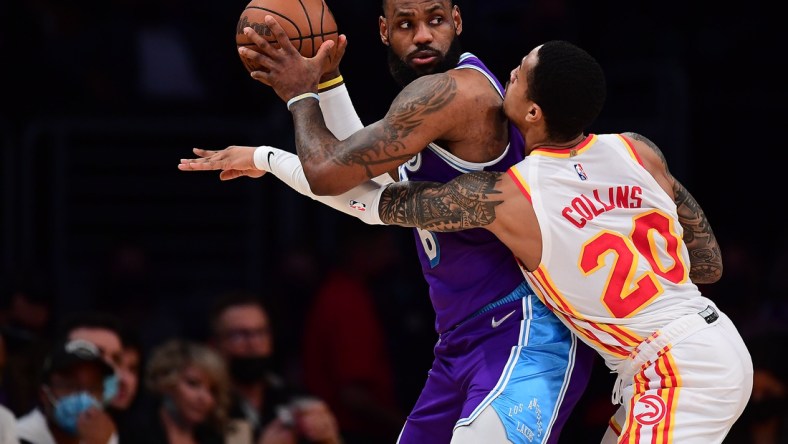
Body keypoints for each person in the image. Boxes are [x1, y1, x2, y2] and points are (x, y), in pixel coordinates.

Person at [273, 40, 754, 442]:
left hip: (674, 370)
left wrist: (276, 142)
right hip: (702, 342)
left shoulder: (509, 196)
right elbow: (708, 264)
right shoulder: (637, 149)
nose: (509, 72)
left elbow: (367, 201)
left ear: (532, 110)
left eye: (520, 72)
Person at [180, 1, 594, 442]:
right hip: (460, 341)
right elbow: (371, 187)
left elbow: (330, 176)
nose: (421, 36)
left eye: (434, 21)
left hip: (522, 330)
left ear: (457, 21)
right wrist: (324, 84)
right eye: (405, 24)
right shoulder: (429, 105)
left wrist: (301, 96)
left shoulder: (454, 94)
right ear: (383, 31)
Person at [208, 291, 342, 444]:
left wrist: (330, 439)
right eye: (239, 335)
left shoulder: (294, 398)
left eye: (260, 333)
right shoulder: (204, 407)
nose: (253, 344)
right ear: (214, 345)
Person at [127, 338, 231, 444]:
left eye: (212, 391)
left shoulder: (214, 439)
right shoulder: (134, 433)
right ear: (166, 382)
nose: (204, 398)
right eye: (193, 383)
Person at [16, 338, 119, 444]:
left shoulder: (105, 435)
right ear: (44, 395)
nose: (84, 397)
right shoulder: (16, 437)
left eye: (93, 388)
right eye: (70, 386)